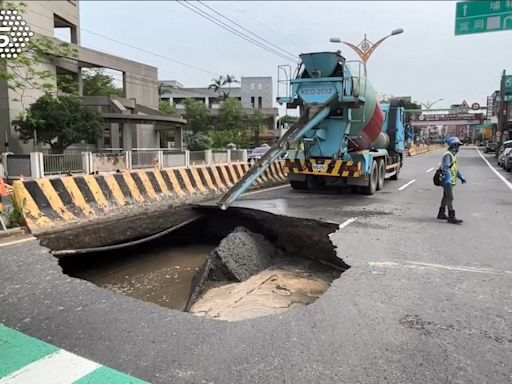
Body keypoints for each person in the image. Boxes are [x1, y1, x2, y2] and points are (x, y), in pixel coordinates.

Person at [437, 137, 466, 224]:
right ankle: (451, 216)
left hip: (449, 180)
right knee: (450, 197)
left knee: (446, 196)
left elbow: (454, 169)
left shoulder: (452, 155)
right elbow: (446, 168)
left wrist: (460, 176)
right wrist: (448, 179)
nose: (458, 148)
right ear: (453, 146)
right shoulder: (448, 155)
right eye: (457, 146)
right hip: (447, 180)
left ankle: (441, 213)